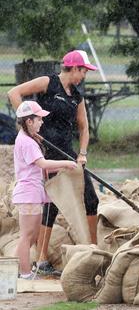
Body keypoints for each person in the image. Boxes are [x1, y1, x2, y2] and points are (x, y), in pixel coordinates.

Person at [7, 49, 98, 276]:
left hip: (66, 153)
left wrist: (83, 153)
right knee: (51, 204)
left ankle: (94, 252)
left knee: (91, 198)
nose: (84, 76)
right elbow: (14, 93)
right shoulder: (48, 82)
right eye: (83, 71)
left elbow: (84, 127)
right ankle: (41, 259)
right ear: (74, 68)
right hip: (46, 153)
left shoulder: (77, 96)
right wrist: (28, 126)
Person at [12, 101, 77, 279]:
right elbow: (42, 163)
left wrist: (64, 168)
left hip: (34, 192)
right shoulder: (27, 142)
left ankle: (23, 271)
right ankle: (24, 274)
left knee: (32, 237)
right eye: (39, 119)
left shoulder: (30, 139)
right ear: (29, 121)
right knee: (27, 236)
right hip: (28, 193)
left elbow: (42, 168)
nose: (42, 122)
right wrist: (66, 163)